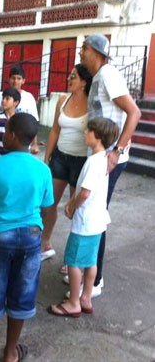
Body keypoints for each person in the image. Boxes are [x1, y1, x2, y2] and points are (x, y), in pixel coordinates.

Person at [0, 113, 54, 362]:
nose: (2, 135)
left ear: (14, 135)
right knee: (22, 294)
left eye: (5, 132)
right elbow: (46, 207)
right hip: (31, 237)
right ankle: (9, 352)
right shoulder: (42, 169)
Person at [78, 34, 141, 297]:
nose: (80, 53)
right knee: (94, 213)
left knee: (95, 216)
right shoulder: (98, 78)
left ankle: (95, 280)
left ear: (97, 52)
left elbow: (134, 111)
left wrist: (116, 151)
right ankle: (88, 274)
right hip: (100, 156)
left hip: (110, 159)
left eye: (84, 48)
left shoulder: (108, 74)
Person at [47, 118, 119, 318]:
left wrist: (71, 206)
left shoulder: (94, 161)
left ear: (97, 137)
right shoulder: (103, 159)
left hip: (85, 221)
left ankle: (73, 303)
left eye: (89, 130)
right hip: (98, 221)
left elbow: (85, 193)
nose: (85, 132)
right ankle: (85, 297)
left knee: (74, 262)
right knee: (90, 261)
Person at [41, 64, 93, 266]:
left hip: (81, 161)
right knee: (48, 203)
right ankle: (45, 244)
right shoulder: (63, 100)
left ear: (84, 82)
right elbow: (54, 130)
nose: (69, 79)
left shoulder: (92, 104)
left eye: (74, 76)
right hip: (60, 157)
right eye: (69, 75)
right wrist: (47, 157)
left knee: (75, 208)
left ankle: (72, 260)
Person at [0, 66, 40, 154]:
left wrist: (34, 144)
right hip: (3, 142)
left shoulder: (29, 97)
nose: (15, 81)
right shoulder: (0, 96)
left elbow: (33, 123)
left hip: (23, 145)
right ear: (9, 79)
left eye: (19, 78)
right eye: (13, 78)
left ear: (23, 80)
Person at [0, 87, 21, 159]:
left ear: (16, 102)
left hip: (12, 159)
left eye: (7, 99)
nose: (3, 101)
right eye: (3, 98)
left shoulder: (20, 120)